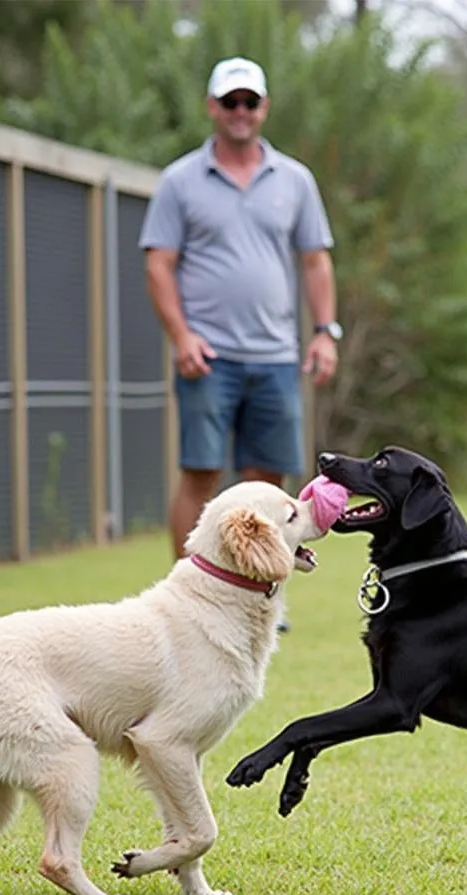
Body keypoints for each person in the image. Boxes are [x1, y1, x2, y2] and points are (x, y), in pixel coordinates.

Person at [139, 56, 341, 570]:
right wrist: (181, 336)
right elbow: (158, 264)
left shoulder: (294, 180)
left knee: (268, 485)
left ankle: (263, 585)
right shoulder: (181, 180)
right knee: (200, 474)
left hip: (276, 357)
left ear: (264, 108)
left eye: (250, 102)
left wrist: (324, 332)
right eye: (230, 102)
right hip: (208, 359)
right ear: (213, 107)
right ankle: (188, 587)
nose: (240, 111)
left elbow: (316, 261)